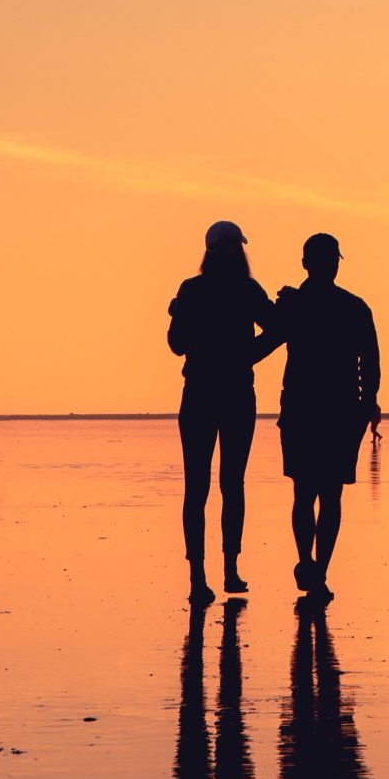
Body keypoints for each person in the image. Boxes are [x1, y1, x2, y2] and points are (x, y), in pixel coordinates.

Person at [258, 233, 379, 605]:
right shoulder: (354, 308)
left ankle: (308, 564)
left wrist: (217, 356)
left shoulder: (296, 306)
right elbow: (370, 368)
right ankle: (319, 572)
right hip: (339, 414)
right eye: (332, 260)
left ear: (305, 263)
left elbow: (261, 347)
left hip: (302, 412)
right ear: (332, 263)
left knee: (304, 493)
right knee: (329, 496)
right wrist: (364, 408)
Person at [166, 220, 276, 604]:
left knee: (197, 488)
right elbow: (279, 330)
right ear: (239, 250)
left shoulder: (191, 290)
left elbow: (176, 345)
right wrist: (246, 356)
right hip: (236, 395)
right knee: (232, 484)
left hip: (197, 394)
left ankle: (198, 577)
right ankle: (229, 570)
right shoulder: (247, 289)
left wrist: (180, 314)